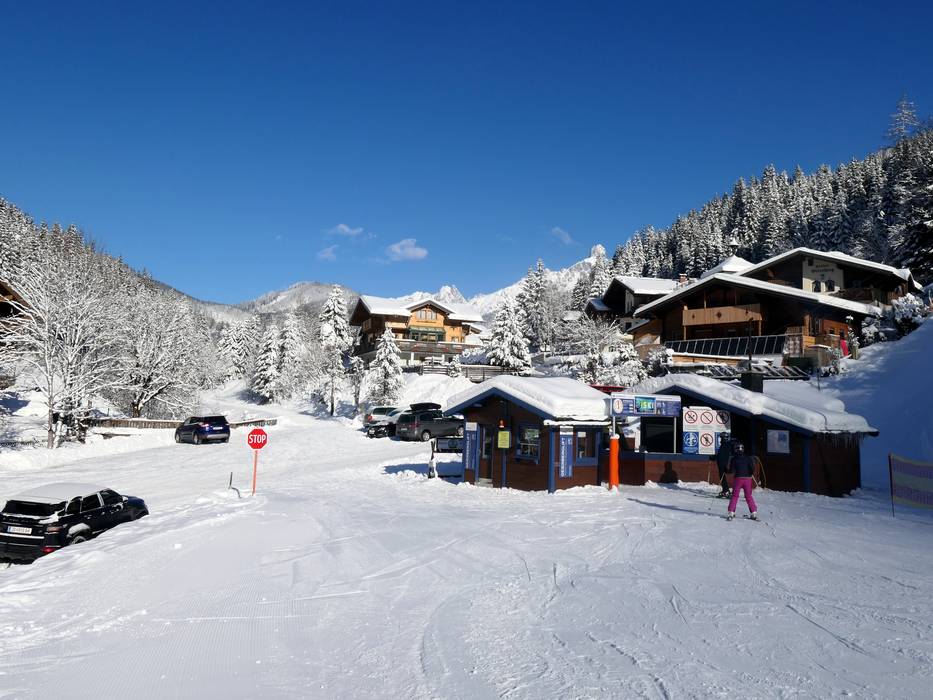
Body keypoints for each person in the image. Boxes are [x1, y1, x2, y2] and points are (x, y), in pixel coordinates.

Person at [725, 442, 761, 520]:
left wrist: (725, 470)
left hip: (738, 479)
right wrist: (750, 473)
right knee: (748, 496)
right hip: (747, 479)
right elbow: (752, 468)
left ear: (736, 450)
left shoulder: (734, 459)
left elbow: (731, 471)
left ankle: (731, 512)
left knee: (735, 496)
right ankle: (753, 512)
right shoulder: (748, 458)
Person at [715, 434, 733, 498]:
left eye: (721, 438)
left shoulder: (725, 445)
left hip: (722, 463)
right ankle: (725, 490)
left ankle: (726, 490)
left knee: (722, 477)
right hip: (722, 463)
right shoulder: (724, 444)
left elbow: (721, 456)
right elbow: (720, 455)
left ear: (724, 438)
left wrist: (715, 457)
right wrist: (714, 457)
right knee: (722, 477)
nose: (721, 439)